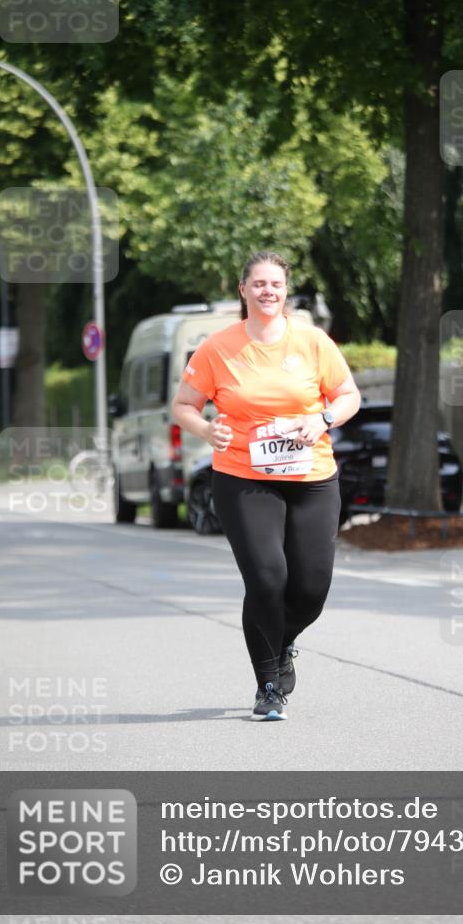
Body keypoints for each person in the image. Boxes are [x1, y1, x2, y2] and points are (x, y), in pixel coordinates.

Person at [171, 251, 361, 720]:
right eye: (258, 284)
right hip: (242, 477)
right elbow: (184, 406)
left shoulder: (314, 342)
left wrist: (323, 420)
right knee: (266, 579)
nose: (267, 291)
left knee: (312, 587)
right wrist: (204, 430)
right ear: (243, 290)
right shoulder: (217, 348)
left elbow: (348, 395)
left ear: (285, 290)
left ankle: (283, 639)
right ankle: (269, 685)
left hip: (313, 477)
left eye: (275, 283)